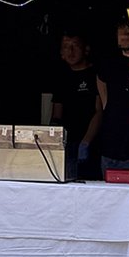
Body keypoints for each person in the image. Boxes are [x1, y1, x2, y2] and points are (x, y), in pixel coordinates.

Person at [51, 33, 103, 181]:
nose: (71, 51)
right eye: (66, 47)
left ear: (86, 49)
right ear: (61, 53)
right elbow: (56, 114)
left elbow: (99, 111)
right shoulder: (61, 76)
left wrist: (86, 142)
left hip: (92, 143)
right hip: (67, 144)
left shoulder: (96, 74)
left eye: (75, 46)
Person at [96, 20, 129, 174]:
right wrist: (107, 105)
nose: (126, 35)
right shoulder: (109, 62)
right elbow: (101, 79)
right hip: (111, 144)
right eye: (122, 30)